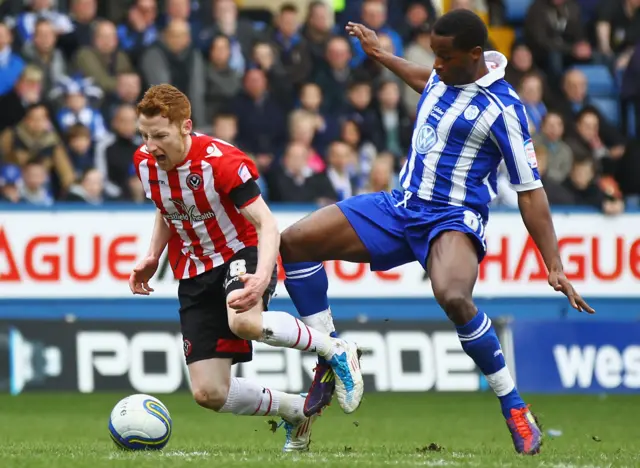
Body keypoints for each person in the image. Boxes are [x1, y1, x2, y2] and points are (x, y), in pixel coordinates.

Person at [279, 10, 595, 455]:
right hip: (400, 205)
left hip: (452, 218)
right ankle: (331, 356)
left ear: (474, 55)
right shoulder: (443, 74)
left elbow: (530, 192)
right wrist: (380, 54)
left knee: (453, 297)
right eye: (434, 55)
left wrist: (554, 264)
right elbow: (422, 78)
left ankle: (514, 405)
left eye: (444, 57)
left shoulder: (504, 109)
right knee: (293, 242)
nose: (437, 65)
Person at [128, 84, 363, 452]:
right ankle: (296, 411)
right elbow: (166, 205)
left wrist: (262, 275)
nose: (150, 145)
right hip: (193, 268)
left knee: (244, 321)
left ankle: (334, 349)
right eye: (144, 135)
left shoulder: (219, 162)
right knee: (209, 392)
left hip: (241, 250)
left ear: (185, 126)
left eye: (159, 135)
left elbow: (267, 224)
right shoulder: (145, 162)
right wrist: (152, 255)